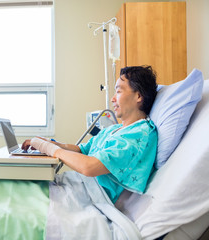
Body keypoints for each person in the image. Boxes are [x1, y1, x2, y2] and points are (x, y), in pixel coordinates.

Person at [22, 66, 158, 203]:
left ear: (138, 96)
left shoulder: (141, 134)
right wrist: (49, 143)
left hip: (92, 196)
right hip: (77, 184)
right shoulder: (113, 130)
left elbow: (89, 167)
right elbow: (82, 150)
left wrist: (50, 149)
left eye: (118, 91)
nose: (112, 99)